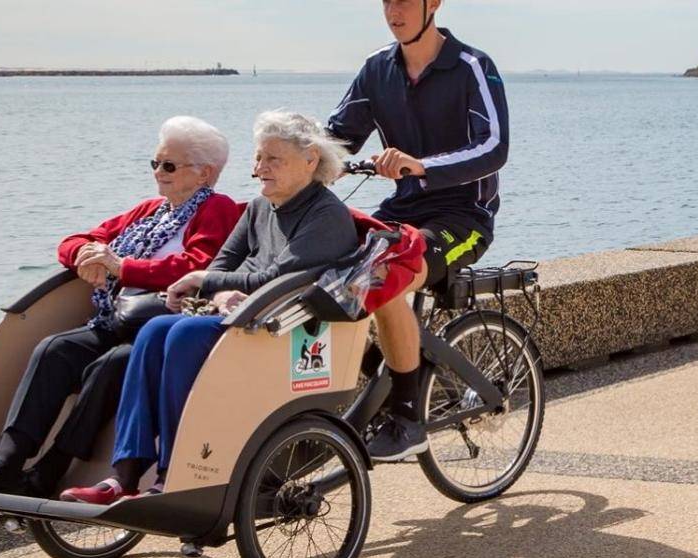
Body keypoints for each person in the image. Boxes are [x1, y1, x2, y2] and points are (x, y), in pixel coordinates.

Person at [60, 111, 359, 505]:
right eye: (258, 157)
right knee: (152, 332)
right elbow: (221, 265)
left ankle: (172, 474)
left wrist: (210, 284)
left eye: (273, 159)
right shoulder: (258, 207)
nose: (259, 168)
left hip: (278, 324)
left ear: (310, 161)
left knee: (182, 333)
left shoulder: (326, 215)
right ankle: (126, 472)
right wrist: (218, 291)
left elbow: (276, 276)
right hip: (241, 312)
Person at [0, 116, 240, 495]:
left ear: (204, 173)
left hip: (160, 328)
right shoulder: (151, 211)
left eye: (169, 165)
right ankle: (7, 458)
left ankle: (52, 468)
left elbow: (197, 265)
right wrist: (87, 256)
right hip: (114, 318)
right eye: (155, 163)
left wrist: (123, 266)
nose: (159, 172)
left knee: (109, 367)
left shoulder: (217, 209)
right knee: (55, 349)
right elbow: (74, 241)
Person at [327, 0, 509, 461]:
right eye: (387, 1)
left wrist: (420, 165)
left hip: (463, 215)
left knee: (387, 277)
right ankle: (391, 374)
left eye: (405, 0)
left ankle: (409, 418)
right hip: (402, 207)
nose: (394, 10)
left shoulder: (471, 66)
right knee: (325, 268)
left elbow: (493, 147)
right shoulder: (376, 68)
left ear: (434, 3)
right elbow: (336, 139)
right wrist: (293, 160)